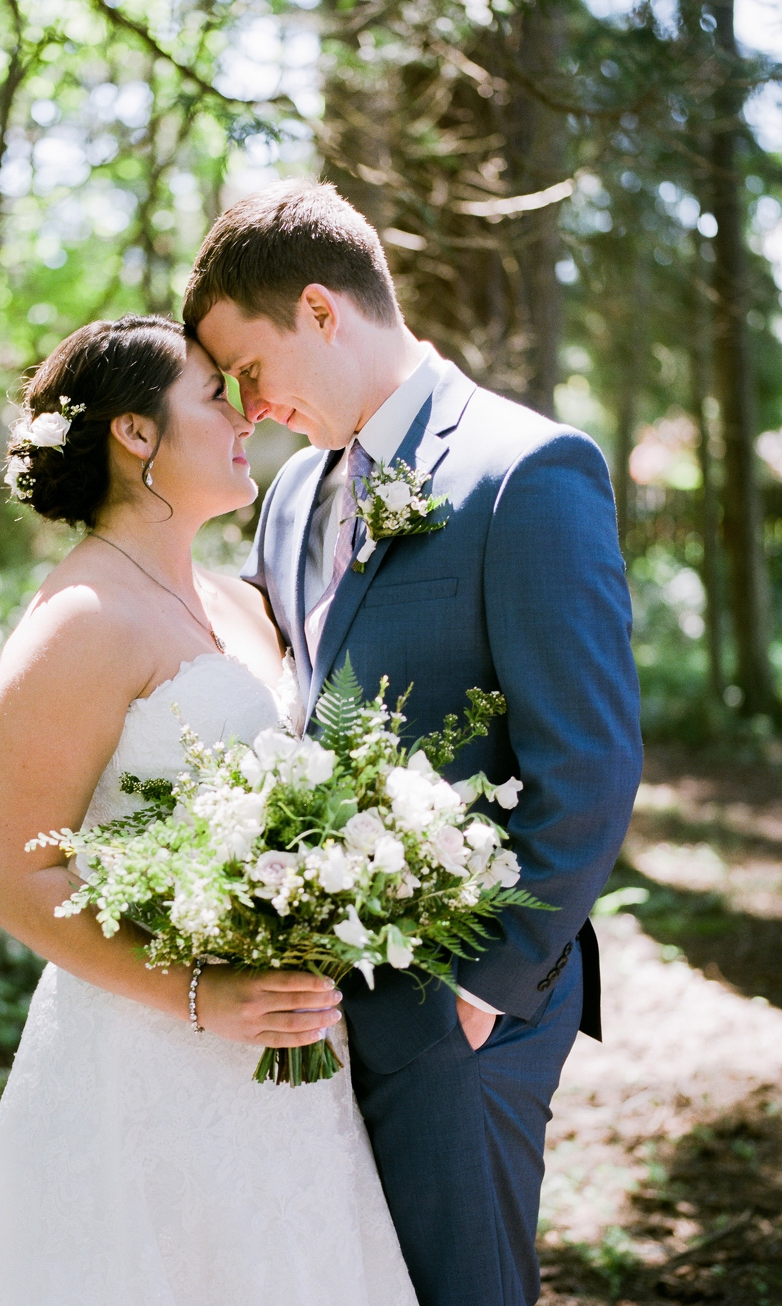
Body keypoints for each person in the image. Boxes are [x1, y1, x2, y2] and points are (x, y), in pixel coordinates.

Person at [182, 179, 643, 1306]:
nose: (243, 409)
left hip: (458, 1010)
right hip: (316, 998)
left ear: (321, 311)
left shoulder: (526, 471)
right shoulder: (289, 497)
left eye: (248, 369)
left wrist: (476, 993)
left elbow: (586, 764)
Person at [0, 315, 419, 1306]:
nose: (247, 412)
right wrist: (205, 999)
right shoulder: (79, 621)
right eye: (215, 394)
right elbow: (16, 878)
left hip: (291, 1054)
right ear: (135, 432)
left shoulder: (244, 602)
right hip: (144, 1061)